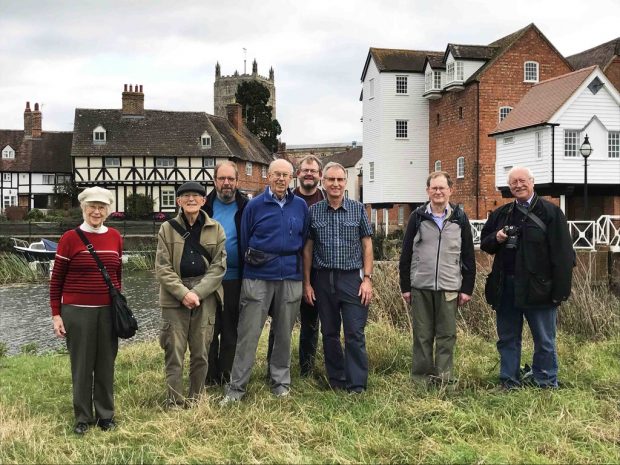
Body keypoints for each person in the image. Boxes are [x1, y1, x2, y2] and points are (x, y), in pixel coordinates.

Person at [222, 158, 309, 403]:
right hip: (258, 276)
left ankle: (280, 382)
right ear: (268, 177)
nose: (281, 179)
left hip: (290, 276)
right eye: (277, 174)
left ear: (291, 177)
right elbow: (245, 238)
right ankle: (237, 388)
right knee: (248, 335)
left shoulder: (300, 206)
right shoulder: (254, 206)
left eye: (286, 175)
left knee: (283, 334)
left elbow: (303, 241)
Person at [480, 166, 574, 390]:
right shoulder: (501, 214)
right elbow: (485, 243)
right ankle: (509, 382)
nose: (518, 185)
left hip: (539, 287)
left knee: (544, 339)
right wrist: (498, 237)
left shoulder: (551, 213)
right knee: (508, 339)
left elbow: (563, 255)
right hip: (507, 286)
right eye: (514, 182)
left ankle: (546, 381)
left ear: (532, 182)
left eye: (522, 181)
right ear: (509, 186)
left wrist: (560, 291)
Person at [50, 186, 122, 435]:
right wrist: (56, 314)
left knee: (105, 364)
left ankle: (105, 415)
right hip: (77, 312)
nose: (96, 211)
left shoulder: (115, 237)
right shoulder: (70, 239)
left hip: (107, 311)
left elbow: (116, 276)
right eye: (92, 206)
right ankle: (83, 417)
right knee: (81, 366)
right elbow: (56, 279)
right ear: (83, 208)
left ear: (108, 211)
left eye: (101, 207)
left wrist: (118, 307)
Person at [398, 171, 475, 385]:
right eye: (434, 188)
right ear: (428, 191)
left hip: (449, 286)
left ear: (451, 190)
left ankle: (444, 379)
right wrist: (405, 286)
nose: (438, 192)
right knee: (422, 336)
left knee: (447, 336)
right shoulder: (417, 216)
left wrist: (467, 288)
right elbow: (406, 254)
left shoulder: (459, 218)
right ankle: (421, 380)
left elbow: (468, 254)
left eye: (442, 188)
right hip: (420, 286)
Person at [303, 162, 373, 394]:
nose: (335, 184)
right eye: (331, 180)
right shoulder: (313, 212)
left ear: (345, 183)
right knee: (329, 333)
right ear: (323, 182)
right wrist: (307, 283)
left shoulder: (358, 209)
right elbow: (308, 250)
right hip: (323, 280)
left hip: (352, 279)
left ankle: (357, 385)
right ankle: (337, 380)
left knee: (354, 333)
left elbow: (367, 245)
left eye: (340, 180)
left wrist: (367, 279)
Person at [155, 181, 226, 408]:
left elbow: (219, 267)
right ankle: (174, 400)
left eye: (196, 196)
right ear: (178, 202)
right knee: (173, 350)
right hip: (174, 295)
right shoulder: (166, 229)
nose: (191, 199)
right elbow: (162, 267)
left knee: (201, 350)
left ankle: (197, 398)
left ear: (204, 201)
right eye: (186, 196)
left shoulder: (216, 228)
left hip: (205, 294)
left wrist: (197, 292)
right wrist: (183, 293)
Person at [267, 155, 325, 377]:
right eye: (304, 170)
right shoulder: (288, 200)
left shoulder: (326, 201)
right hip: (287, 271)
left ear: (319, 175)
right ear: (297, 174)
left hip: (315, 274)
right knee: (280, 324)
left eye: (313, 170)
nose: (309, 174)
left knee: (311, 324)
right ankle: (273, 369)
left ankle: (306, 370)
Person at [203, 161, 249, 385]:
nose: (227, 183)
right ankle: (209, 376)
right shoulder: (204, 206)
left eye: (231, 179)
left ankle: (227, 374)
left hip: (236, 278)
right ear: (214, 181)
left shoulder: (246, 206)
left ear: (237, 181)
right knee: (210, 328)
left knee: (232, 329)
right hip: (208, 279)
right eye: (222, 178)